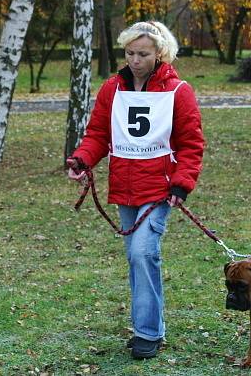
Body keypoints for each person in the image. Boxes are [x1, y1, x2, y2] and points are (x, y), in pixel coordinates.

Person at [67, 21, 204, 359]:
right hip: (124, 188)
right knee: (137, 257)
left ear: (160, 53)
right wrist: (82, 160)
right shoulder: (112, 89)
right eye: (130, 53)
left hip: (159, 189)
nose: (135, 60)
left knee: (143, 253)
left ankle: (147, 333)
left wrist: (182, 183)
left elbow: (191, 144)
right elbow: (98, 133)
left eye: (143, 54)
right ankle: (150, 327)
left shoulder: (178, 91)